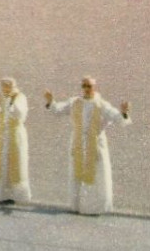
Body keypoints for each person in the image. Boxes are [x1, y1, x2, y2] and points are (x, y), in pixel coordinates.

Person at [43, 77, 129, 215]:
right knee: (78, 174)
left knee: (95, 175)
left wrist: (123, 112)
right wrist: (50, 102)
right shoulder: (75, 102)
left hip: (95, 145)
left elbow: (116, 117)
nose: (87, 89)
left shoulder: (101, 104)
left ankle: (93, 208)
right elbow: (58, 110)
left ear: (94, 87)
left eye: (89, 86)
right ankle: (79, 206)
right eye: (84, 86)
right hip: (78, 143)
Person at [0, 78, 30, 203]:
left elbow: (20, 115)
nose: (7, 88)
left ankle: (13, 195)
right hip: (0, 132)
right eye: (4, 86)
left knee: (14, 163)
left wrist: (13, 101)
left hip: (15, 133)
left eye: (9, 86)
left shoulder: (20, 97)